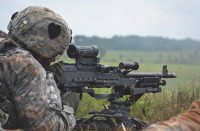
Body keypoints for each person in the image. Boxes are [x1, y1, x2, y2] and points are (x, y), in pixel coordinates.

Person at [0, 6, 77, 130]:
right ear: (44, 48)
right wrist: (69, 105)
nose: (52, 60)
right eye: (54, 55)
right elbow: (45, 128)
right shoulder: (26, 65)